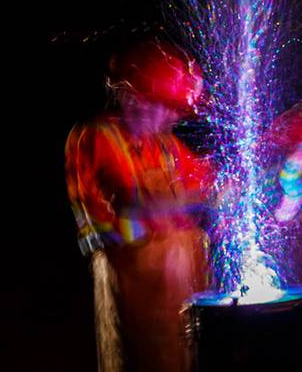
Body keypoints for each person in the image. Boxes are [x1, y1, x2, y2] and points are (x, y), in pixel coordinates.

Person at [65, 40, 214, 372]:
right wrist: (208, 194)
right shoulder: (97, 137)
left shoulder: (162, 144)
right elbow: (134, 204)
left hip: (176, 284)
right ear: (134, 97)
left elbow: (206, 179)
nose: (173, 118)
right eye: (167, 107)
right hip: (132, 282)